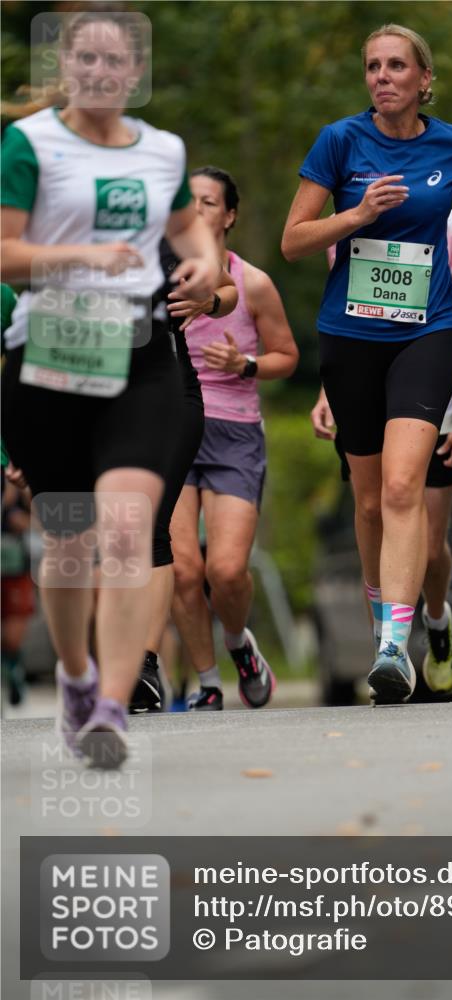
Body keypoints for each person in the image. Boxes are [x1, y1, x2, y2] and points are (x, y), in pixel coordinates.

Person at [0, 11, 221, 765]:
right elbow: (4, 253)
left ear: (133, 73)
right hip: (49, 355)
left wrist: (205, 264)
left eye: (113, 60)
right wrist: (84, 258)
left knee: (129, 527)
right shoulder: (30, 142)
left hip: (138, 354)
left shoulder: (164, 151)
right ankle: (74, 675)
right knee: (68, 542)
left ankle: (113, 708)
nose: (99, 72)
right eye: (84, 58)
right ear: (67, 68)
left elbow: (191, 230)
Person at [283, 23, 452, 704]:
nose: (381, 76)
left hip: (426, 330)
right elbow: (292, 241)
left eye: (395, 66)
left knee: (407, 488)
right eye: (372, 66)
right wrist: (356, 214)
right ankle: (410, 626)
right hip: (349, 336)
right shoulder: (338, 141)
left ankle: (391, 646)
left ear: (423, 79)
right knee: (370, 500)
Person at [311, 209, 452, 694]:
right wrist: (328, 393)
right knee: (370, 506)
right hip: (367, 395)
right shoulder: (344, 223)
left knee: (429, 546)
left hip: (436, 400)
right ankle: (387, 638)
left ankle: (436, 619)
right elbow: (341, 318)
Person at [168, 166, 299, 712]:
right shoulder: (163, 275)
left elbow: (287, 357)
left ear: (229, 214)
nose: (198, 210)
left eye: (208, 201)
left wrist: (243, 363)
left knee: (226, 570)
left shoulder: (253, 282)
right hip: (171, 427)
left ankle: (239, 644)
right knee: (181, 569)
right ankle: (207, 684)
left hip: (234, 432)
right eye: (189, 201)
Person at [128, 239, 238, 714]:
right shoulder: (68, 236)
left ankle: (143, 667)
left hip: (170, 399)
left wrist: (209, 301)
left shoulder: (171, 235)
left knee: (148, 524)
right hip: (94, 399)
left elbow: (227, 287)